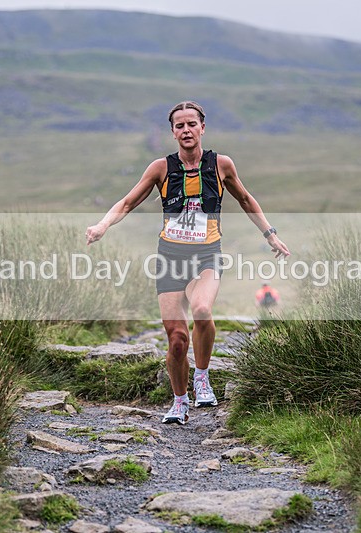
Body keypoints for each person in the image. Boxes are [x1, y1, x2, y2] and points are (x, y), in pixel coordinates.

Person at [85, 101, 290, 425]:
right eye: (179, 126)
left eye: (191, 124)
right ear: (173, 132)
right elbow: (126, 201)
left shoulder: (221, 165)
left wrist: (270, 235)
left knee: (202, 310)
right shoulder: (161, 169)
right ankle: (179, 402)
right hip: (170, 258)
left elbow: (246, 199)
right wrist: (101, 226)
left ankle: (202, 377)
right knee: (177, 340)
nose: (186, 130)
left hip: (207, 255)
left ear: (202, 128)